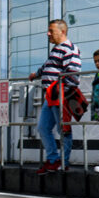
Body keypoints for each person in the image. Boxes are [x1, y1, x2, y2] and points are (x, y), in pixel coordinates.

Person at [29, 19, 81, 174]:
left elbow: (73, 75)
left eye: (51, 31)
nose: (48, 34)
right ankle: (53, 159)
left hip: (60, 95)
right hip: (50, 95)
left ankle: (63, 162)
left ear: (62, 31)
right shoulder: (56, 50)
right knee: (43, 128)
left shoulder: (70, 49)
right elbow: (48, 66)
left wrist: (60, 91)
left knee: (63, 129)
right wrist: (37, 74)